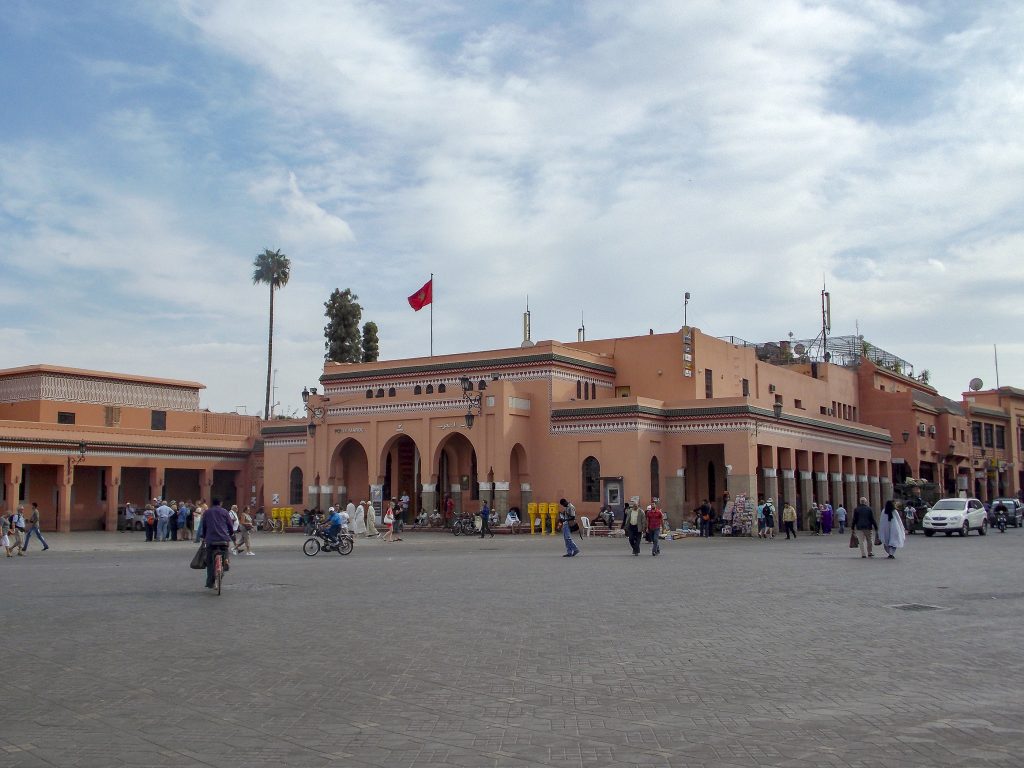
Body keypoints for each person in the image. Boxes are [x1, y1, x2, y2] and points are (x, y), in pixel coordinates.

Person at [200, 498, 233, 590]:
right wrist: (230, 533)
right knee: (225, 549)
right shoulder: (225, 512)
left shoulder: (207, 512)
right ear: (221, 503)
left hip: (211, 539)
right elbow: (230, 525)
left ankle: (210, 582)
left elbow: (204, 525)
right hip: (223, 538)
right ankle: (226, 560)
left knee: (210, 561)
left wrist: (204, 536)